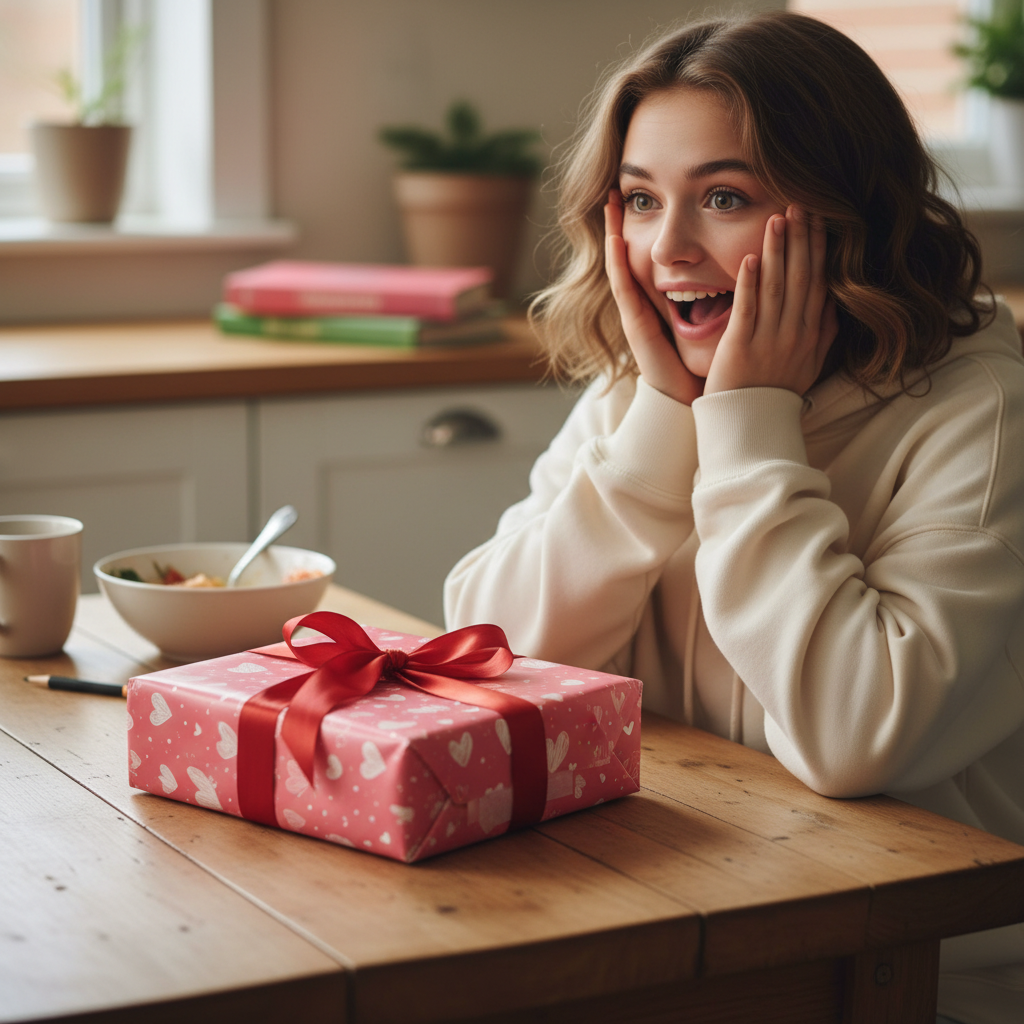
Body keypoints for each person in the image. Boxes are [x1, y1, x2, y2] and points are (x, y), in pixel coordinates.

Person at [443, 11, 1024, 1024]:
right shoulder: (644, 391)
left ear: (845, 209)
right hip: (669, 917)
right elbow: (492, 653)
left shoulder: (981, 408)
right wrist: (669, 425)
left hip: (910, 970)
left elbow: (858, 734)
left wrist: (748, 428)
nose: (667, 248)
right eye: (637, 199)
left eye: (722, 197)